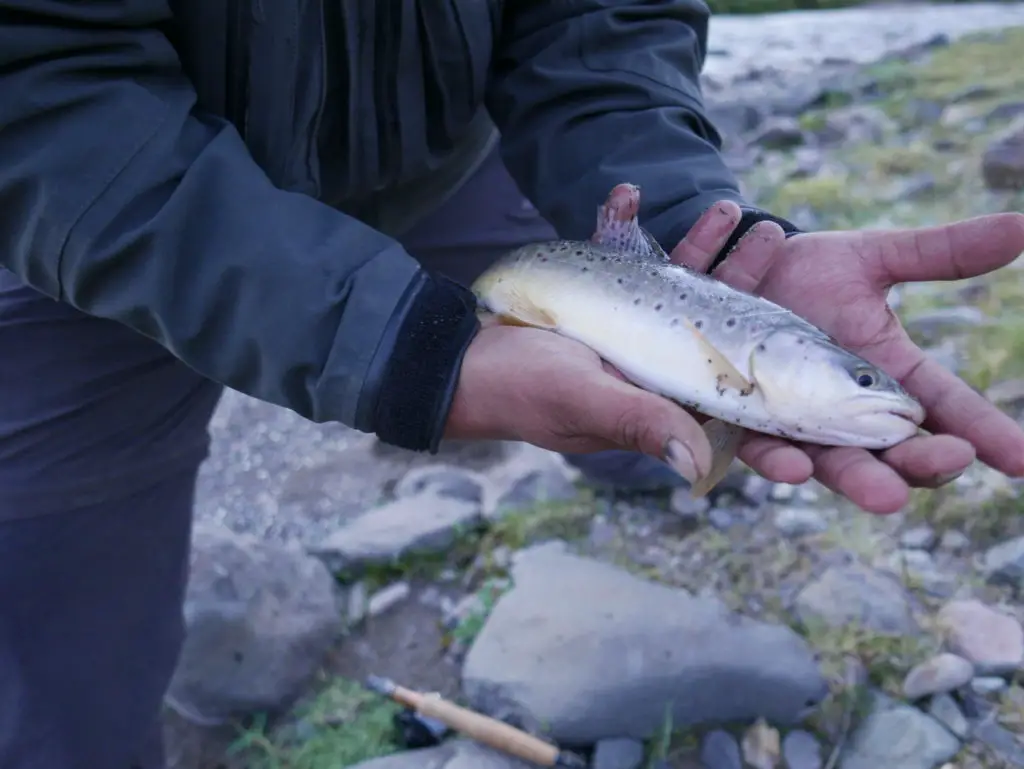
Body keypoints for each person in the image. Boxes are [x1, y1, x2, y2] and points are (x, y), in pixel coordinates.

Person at [1, 0, 1023, 766]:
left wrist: (677, 209)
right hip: (93, 214)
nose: (863, 385)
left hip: (453, 154)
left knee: (619, 363)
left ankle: (641, 455)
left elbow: (603, 21)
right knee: (60, 675)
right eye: (847, 376)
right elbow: (37, 79)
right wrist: (412, 352)